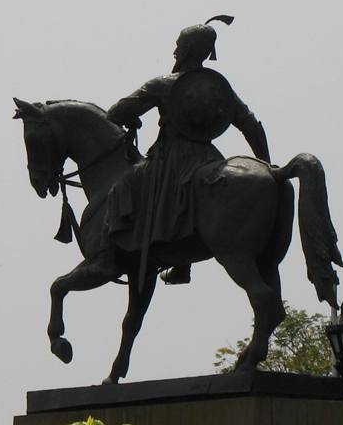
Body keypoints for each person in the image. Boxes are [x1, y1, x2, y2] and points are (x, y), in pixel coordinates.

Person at [103, 16, 270, 285]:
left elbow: (116, 112)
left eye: (179, 45)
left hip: (171, 158)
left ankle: (118, 252)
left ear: (189, 49)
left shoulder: (163, 84)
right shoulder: (219, 88)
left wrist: (131, 119)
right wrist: (266, 164)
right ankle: (183, 267)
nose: (174, 51)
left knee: (125, 184)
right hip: (209, 156)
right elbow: (251, 126)